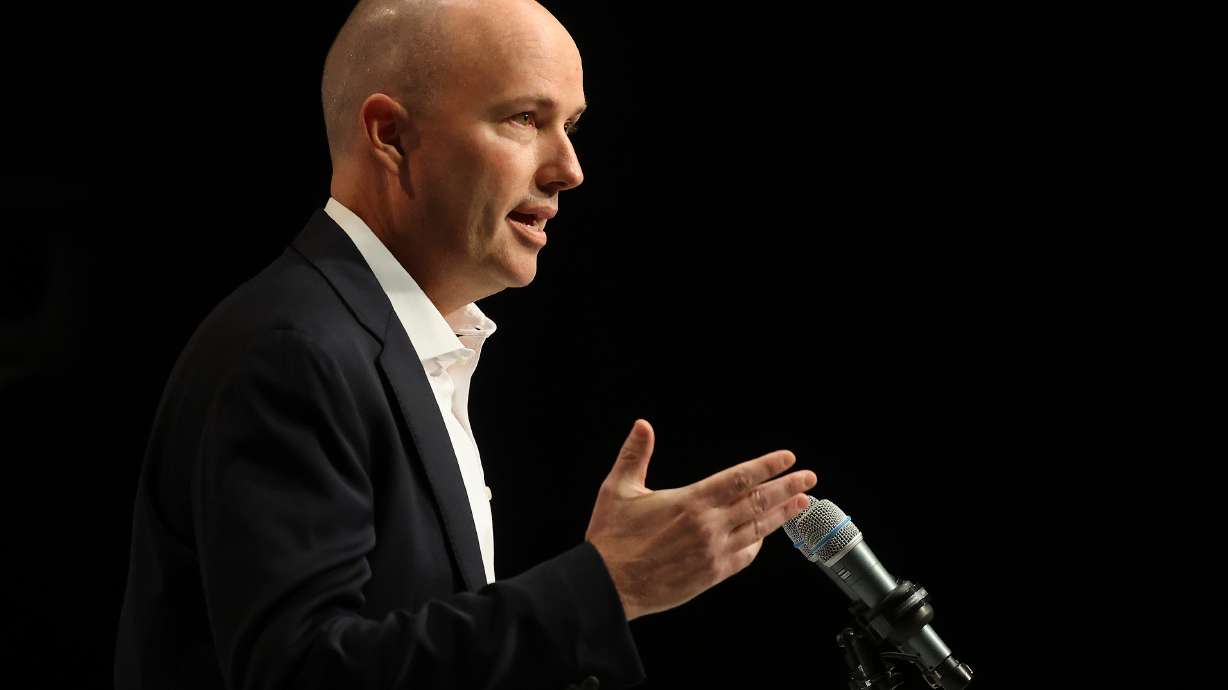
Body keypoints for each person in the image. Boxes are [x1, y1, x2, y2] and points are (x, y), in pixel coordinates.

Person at [113, 1, 818, 688]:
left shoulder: (393, 340)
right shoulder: (294, 350)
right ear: (389, 135)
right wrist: (606, 587)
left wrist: (602, 588)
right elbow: (303, 671)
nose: (569, 168)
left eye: (571, 125)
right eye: (525, 119)